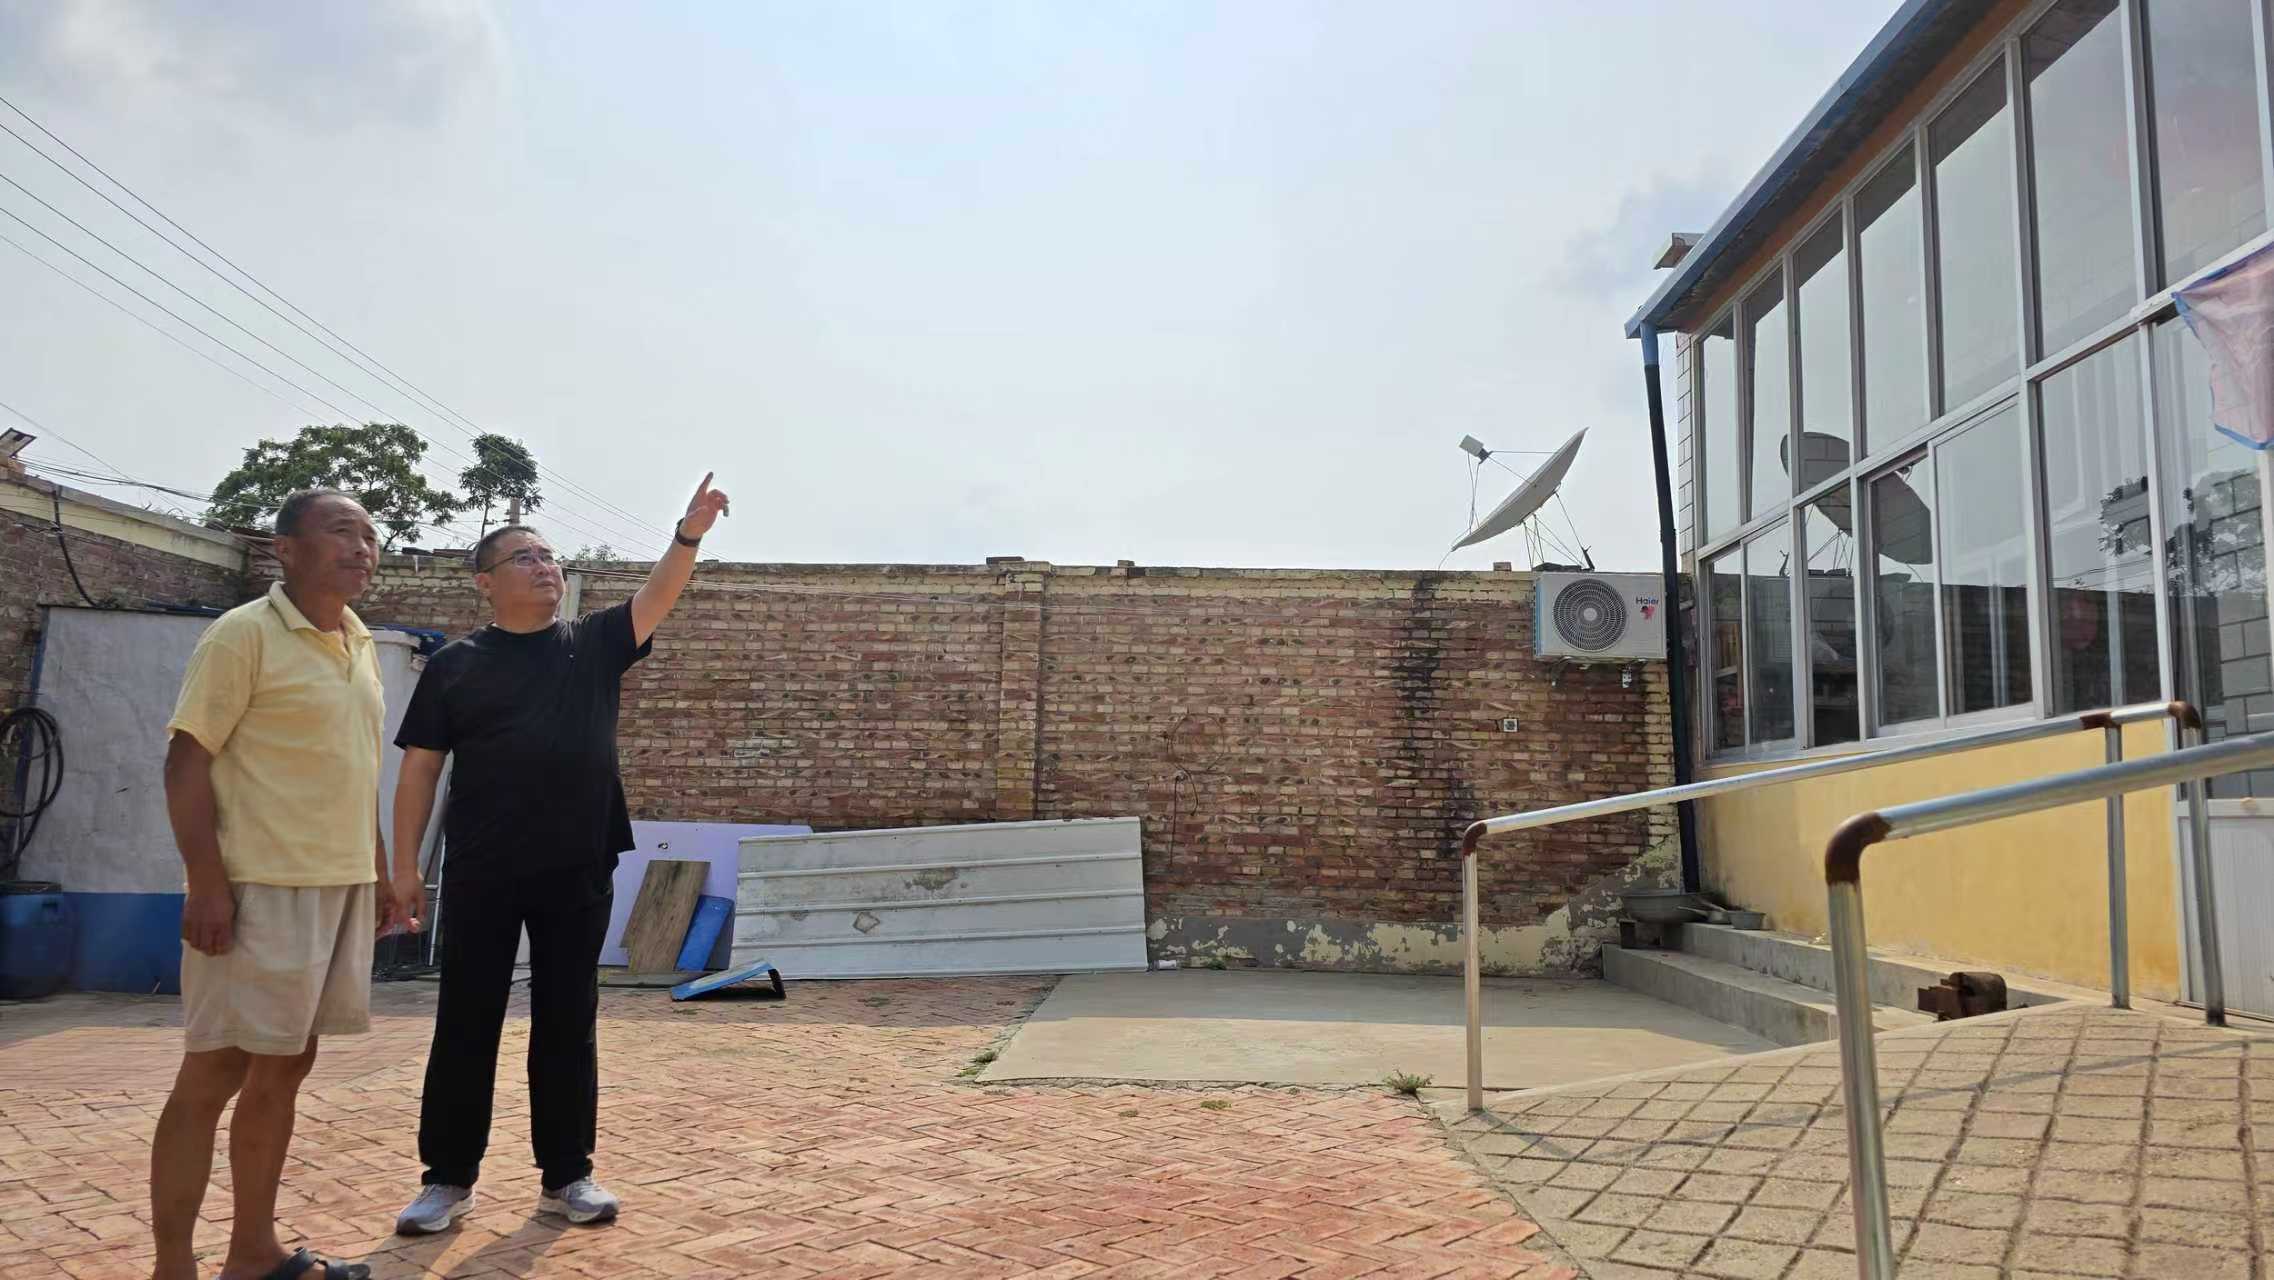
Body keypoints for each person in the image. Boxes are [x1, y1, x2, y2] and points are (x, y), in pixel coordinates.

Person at [391, 473, 730, 1236]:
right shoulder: (455, 665)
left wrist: (688, 536)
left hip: (578, 861)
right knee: (466, 1020)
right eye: (525, 557)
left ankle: (568, 1176)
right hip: (482, 865)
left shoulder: (592, 644)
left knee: (567, 1019)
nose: (546, 566)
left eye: (550, 556)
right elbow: (420, 768)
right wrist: (405, 867)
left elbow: (658, 596)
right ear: (485, 582)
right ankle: (447, 1179)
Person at [152, 489, 424, 1280]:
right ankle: (173, 1265)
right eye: (342, 531)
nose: (362, 547)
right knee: (215, 1070)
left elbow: (353, 771)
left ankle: (253, 1253)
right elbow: (185, 762)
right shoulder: (243, 634)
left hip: (337, 888)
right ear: (287, 549)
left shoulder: (360, 641)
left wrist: (377, 871)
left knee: (284, 1067)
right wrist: (206, 882)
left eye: (370, 535)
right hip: (257, 888)